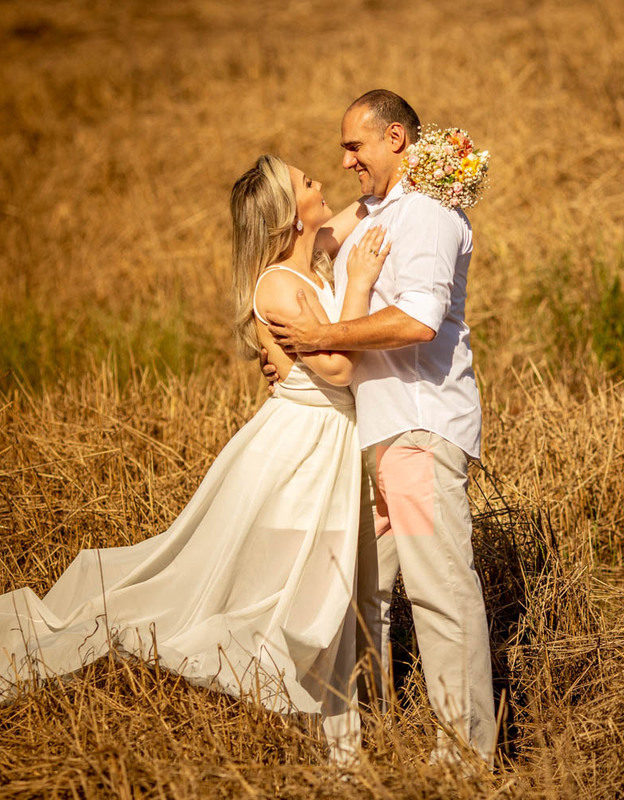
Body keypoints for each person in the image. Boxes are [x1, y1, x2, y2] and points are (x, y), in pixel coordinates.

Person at [0, 154, 389, 764]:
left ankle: (331, 734)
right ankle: (311, 731)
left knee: (315, 592)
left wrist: (422, 169)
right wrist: (363, 284)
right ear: (288, 217)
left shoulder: (307, 260)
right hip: (298, 456)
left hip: (325, 447)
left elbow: (361, 212)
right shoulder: (281, 287)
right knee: (292, 592)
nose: (321, 182)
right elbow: (340, 366)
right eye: (306, 183)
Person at [264, 89, 497, 765]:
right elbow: (301, 240)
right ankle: (368, 735)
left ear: (396, 138)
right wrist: (276, 337)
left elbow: (419, 320)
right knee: (364, 594)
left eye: (354, 146)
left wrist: (321, 336)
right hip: (383, 439)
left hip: (417, 438)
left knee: (441, 592)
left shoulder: (423, 216)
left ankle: (464, 759)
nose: (344, 162)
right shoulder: (377, 211)